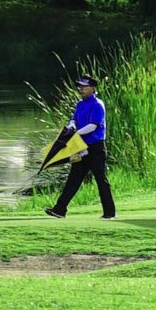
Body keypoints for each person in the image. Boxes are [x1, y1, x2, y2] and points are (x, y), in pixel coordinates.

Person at [46, 73, 115, 220]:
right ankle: (60, 209)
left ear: (93, 88)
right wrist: (71, 126)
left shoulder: (98, 104)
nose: (81, 89)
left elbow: (93, 126)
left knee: (101, 180)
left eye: (84, 86)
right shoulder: (80, 104)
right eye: (80, 86)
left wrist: (75, 134)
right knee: (74, 178)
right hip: (81, 147)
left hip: (95, 147)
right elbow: (74, 119)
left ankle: (109, 212)